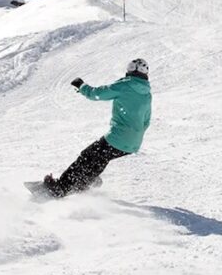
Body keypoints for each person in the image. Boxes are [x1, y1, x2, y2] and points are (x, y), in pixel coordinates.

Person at [43, 59, 152, 198]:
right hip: (134, 142)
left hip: (118, 137)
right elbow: (146, 121)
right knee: (100, 158)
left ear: (130, 70)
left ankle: (59, 188)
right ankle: (82, 183)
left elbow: (97, 94)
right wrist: (134, 135)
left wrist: (81, 86)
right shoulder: (147, 93)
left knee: (87, 156)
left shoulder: (125, 85)